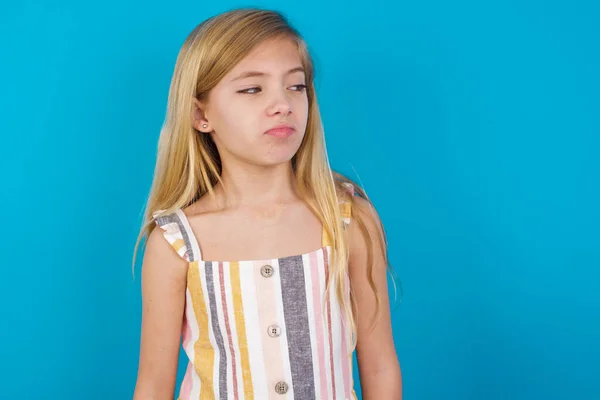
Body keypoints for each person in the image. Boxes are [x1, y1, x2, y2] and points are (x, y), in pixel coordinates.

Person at [131, 7, 401, 400]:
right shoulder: (176, 242)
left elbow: (380, 365)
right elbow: (153, 385)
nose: (282, 104)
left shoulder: (349, 219)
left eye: (296, 86)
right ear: (200, 114)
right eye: (252, 89)